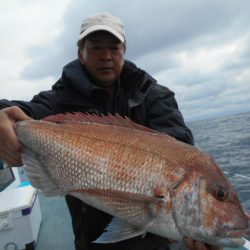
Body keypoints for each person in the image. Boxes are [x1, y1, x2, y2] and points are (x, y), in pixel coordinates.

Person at [0, 12, 217, 250]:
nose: (106, 56)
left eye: (114, 47)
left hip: (154, 239)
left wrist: (197, 222)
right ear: (80, 54)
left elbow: (177, 146)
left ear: (124, 52)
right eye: (95, 47)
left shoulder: (154, 96)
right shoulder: (61, 98)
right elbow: (21, 111)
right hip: (90, 240)